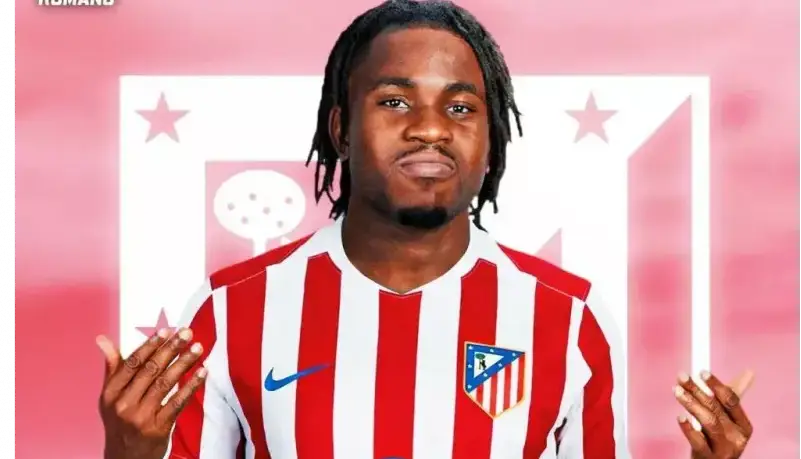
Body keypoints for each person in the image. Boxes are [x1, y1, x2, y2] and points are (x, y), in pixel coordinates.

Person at [96, 1, 756, 458]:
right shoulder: (233, 308)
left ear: (491, 139)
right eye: (394, 100)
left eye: (460, 106)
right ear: (340, 128)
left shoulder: (567, 316)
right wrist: (129, 453)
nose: (430, 128)